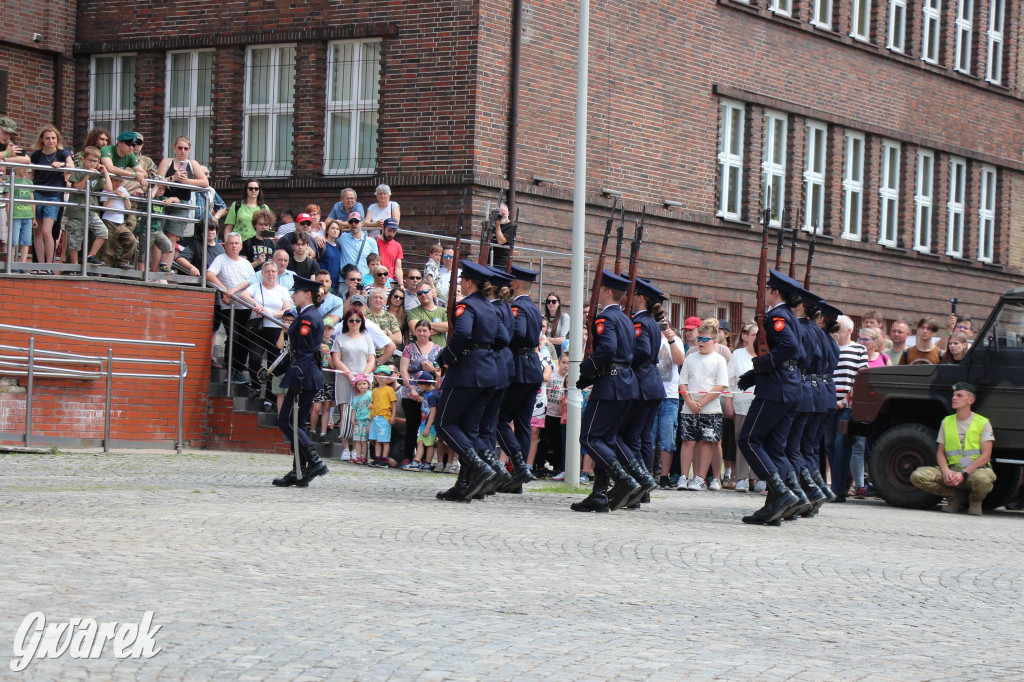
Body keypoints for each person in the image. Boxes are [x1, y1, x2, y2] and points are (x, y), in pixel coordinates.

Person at [734, 270, 806, 525]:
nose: (765, 292)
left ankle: (782, 492)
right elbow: (799, 356)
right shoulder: (792, 317)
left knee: (749, 439)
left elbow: (790, 348)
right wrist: (757, 373)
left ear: (775, 292)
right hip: (788, 386)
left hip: (776, 389)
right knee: (775, 448)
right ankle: (775, 506)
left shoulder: (777, 316)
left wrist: (762, 367)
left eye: (768, 289)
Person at [570, 270, 641, 513]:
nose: (596, 293)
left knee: (589, 438)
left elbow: (608, 348)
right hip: (625, 382)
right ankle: (599, 493)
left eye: (599, 289)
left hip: (610, 384)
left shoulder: (606, 319)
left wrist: (586, 367)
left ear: (608, 292)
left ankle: (622, 479)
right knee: (606, 440)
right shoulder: (626, 319)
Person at [434, 260, 502, 502]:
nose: (460, 283)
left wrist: (449, 356)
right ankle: (465, 483)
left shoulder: (467, 306)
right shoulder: (491, 307)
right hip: (488, 370)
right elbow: (503, 337)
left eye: (462, 279)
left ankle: (478, 467)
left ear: (469, 282)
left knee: (444, 422)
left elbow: (462, 332)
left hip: (467, 371)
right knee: (470, 430)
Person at [271, 275, 330, 487]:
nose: (292, 295)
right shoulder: (306, 315)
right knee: (298, 423)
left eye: (296, 292)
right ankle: (299, 471)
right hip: (306, 373)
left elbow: (303, 352)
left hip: (304, 374)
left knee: (286, 420)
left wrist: (295, 375)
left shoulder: (308, 318)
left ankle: (314, 461)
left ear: (307, 294)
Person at [910, 382, 996, 515]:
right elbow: (940, 452)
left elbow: (986, 456)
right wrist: (945, 471)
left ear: (970, 400)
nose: (954, 398)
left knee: (983, 480)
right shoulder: (947, 421)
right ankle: (954, 497)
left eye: (959, 395)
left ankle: (975, 501)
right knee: (918, 476)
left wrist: (963, 473)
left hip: (975, 471)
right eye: (954, 395)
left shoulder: (983, 422)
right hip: (952, 470)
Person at [616, 278, 667, 505]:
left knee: (631, 436)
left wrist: (621, 356)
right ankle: (643, 488)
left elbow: (643, 351)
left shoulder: (639, 322)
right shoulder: (649, 321)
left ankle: (638, 484)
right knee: (644, 437)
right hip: (652, 384)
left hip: (642, 383)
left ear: (640, 297)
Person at [495, 265, 545, 494]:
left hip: (519, 367)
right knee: (523, 424)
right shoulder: (533, 308)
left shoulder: (518, 307)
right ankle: (518, 474)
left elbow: (520, 333)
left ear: (515, 284)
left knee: (499, 418)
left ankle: (518, 465)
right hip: (532, 367)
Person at [677, 319, 730, 492]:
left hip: (710, 408)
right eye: (699, 339)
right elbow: (682, 383)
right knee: (687, 441)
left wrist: (701, 402)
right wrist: (690, 402)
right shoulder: (690, 358)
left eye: (705, 339)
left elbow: (720, 386)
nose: (700, 342)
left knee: (707, 442)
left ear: (714, 341)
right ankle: (684, 477)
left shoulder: (719, 360)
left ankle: (700, 478)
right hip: (689, 407)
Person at [827, 314, 868, 503]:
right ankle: (835, 486)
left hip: (846, 405)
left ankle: (839, 489)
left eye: (838, 328)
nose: (835, 331)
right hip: (827, 403)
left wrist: (844, 401)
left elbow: (860, 378)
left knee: (841, 444)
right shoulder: (830, 347)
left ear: (849, 330)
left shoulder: (859, 349)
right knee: (828, 445)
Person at [206, 232, 257, 383]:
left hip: (245, 306)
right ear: (225, 245)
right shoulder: (221, 259)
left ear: (241, 246)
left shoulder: (246, 264)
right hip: (229, 307)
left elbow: (253, 282)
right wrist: (225, 291)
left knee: (245, 339)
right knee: (233, 337)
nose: (234, 246)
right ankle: (231, 371)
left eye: (236, 243)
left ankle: (238, 371)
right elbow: (209, 275)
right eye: (231, 243)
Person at [239, 260, 291, 400]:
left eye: (273, 271)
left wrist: (272, 314)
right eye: (267, 271)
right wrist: (256, 305)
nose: (270, 274)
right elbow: (243, 295)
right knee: (255, 359)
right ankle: (256, 386)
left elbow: (287, 310)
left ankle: (269, 397)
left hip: (275, 329)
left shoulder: (282, 290)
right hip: (258, 328)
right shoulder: (256, 286)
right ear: (262, 273)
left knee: (273, 363)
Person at [331, 307, 377, 460]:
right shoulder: (340, 338)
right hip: (345, 378)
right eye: (351, 320)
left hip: (363, 378)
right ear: (347, 322)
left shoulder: (367, 338)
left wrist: (362, 376)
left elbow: (371, 359)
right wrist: (350, 376)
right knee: (345, 411)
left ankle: (358, 447)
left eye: (358, 320)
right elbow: (336, 360)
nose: (355, 323)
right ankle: (345, 447)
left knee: (362, 412)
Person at [155, 136, 208, 260]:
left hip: (182, 203)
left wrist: (187, 181)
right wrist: (172, 178)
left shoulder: (192, 163)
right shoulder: (167, 161)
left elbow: (205, 182)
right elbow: (157, 181)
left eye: (186, 148)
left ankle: (165, 272)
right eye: (180, 148)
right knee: (157, 236)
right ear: (174, 148)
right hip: (164, 201)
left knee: (172, 238)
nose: (182, 151)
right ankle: (154, 271)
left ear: (189, 150)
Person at [29, 125, 74, 265]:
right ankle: (40, 264)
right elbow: (32, 174)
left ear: (57, 139)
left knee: (46, 231)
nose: (51, 141)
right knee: (37, 232)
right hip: (38, 194)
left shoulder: (63, 153)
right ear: (42, 139)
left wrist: (61, 164)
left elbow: (71, 166)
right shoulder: (37, 154)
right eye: (47, 138)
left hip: (54, 195)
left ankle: (49, 265)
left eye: (53, 138)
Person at [399, 319, 442, 461]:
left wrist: (431, 369)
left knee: (427, 424)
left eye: (424, 330)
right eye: (419, 330)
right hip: (411, 391)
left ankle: (424, 459)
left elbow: (440, 371)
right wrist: (412, 388)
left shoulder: (437, 349)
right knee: (412, 424)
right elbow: (403, 370)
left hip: (430, 392)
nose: (422, 333)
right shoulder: (409, 348)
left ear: (430, 332)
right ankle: (407, 456)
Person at [62, 146, 111, 266]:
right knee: (74, 242)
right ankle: (74, 266)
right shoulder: (78, 170)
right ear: (84, 159)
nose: (92, 163)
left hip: (91, 211)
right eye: (90, 160)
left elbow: (109, 189)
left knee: (103, 232)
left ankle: (91, 256)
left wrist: (105, 172)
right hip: (76, 212)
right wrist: (87, 175)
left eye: (95, 161)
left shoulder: (99, 174)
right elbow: (77, 188)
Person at [727, 322, 757, 492]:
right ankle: (742, 477)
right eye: (753, 334)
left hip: (760, 405)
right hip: (741, 405)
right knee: (741, 440)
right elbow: (730, 380)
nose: (756, 338)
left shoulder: (765, 354)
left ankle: (757, 477)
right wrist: (729, 402)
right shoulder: (737, 354)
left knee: (758, 441)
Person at [403, 371, 439, 471]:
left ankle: (418, 462)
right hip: (425, 422)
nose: (417, 387)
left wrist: (427, 427)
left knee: (425, 443)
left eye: (418, 385)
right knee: (423, 442)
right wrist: (418, 398)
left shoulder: (432, 396)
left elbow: (433, 412)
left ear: (423, 384)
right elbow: (426, 402)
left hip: (428, 423)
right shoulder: (430, 393)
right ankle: (425, 463)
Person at [369, 366, 398, 466]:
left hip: (385, 417)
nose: (381, 378)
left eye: (384, 376)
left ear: (388, 378)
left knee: (385, 440)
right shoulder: (374, 390)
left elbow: (393, 403)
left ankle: (384, 459)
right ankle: (378, 458)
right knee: (377, 440)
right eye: (379, 375)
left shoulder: (389, 390)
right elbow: (373, 402)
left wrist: (393, 416)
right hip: (375, 417)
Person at [339, 211, 378, 278]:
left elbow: (377, 262)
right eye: (351, 222)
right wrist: (317, 237)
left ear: (361, 223)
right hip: (346, 280)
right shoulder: (341, 237)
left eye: (356, 221)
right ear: (348, 224)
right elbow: (328, 234)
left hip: (364, 279)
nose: (353, 224)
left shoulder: (371, 241)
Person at [366, 286, 403, 354]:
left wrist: (375, 335)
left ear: (385, 302)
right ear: (370, 300)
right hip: (368, 355)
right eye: (375, 297)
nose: (378, 300)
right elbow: (363, 337)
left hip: (387, 357)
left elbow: (398, 339)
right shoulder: (363, 316)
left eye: (381, 298)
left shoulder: (390, 317)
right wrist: (386, 332)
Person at [349, 375, 373, 464]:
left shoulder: (370, 394)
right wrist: (352, 419)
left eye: (364, 383)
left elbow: (374, 403)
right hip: (358, 421)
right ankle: (358, 456)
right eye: (359, 384)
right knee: (357, 440)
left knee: (364, 441)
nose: (362, 386)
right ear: (356, 386)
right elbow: (354, 409)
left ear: (368, 384)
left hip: (366, 420)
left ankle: (364, 457)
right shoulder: (356, 397)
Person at [375, 217, 404, 285]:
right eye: (389, 230)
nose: (391, 234)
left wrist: (401, 284)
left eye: (394, 231)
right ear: (383, 228)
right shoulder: (372, 240)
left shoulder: (397, 246)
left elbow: (398, 268)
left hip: (390, 280)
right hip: (375, 278)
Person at [490, 202, 516, 269]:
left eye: (503, 214)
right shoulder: (493, 225)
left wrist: (497, 226)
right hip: (489, 261)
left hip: (500, 264)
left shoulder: (511, 227)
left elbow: (501, 241)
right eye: (499, 214)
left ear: (508, 213)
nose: (501, 217)